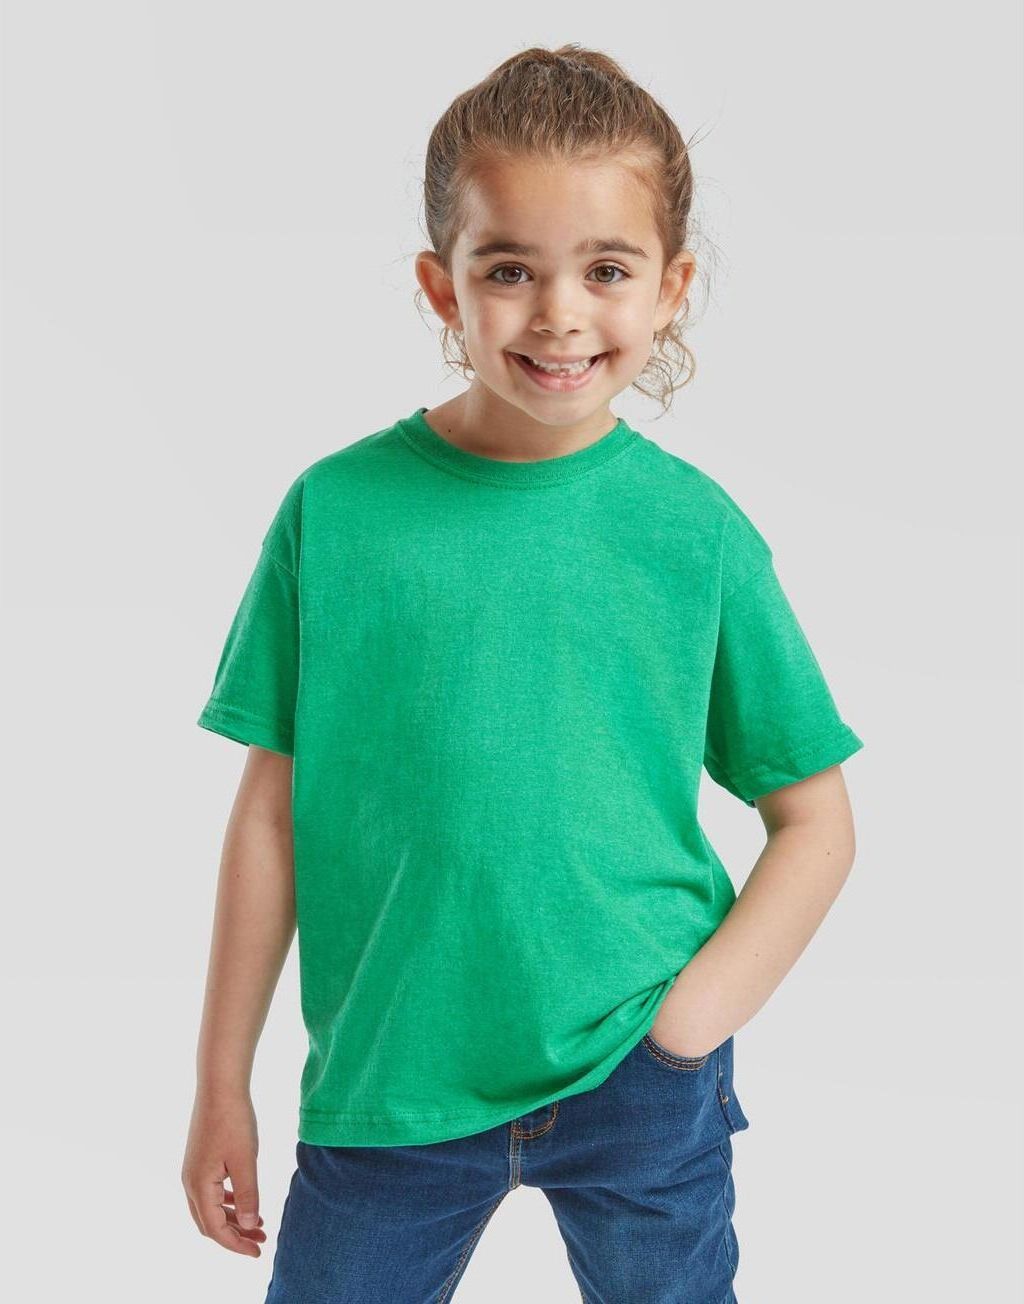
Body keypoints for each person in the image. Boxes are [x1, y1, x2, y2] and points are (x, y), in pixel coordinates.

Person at [182, 43, 864, 1303]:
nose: (558, 312)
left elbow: (815, 816)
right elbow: (271, 813)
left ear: (670, 287)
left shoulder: (693, 533)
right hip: (391, 1080)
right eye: (509, 269)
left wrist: (685, 1027)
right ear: (441, 286)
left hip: (638, 1073)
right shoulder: (336, 513)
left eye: (605, 269)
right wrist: (220, 1080)